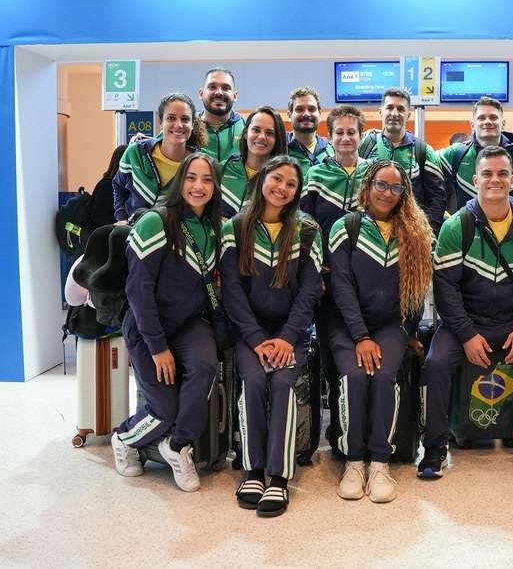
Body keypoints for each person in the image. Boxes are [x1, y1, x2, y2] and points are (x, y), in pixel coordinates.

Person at [419, 146, 513, 479]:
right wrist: (466, 334)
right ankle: (434, 446)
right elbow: (445, 289)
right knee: (435, 364)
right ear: (475, 180)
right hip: (467, 323)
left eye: (502, 173)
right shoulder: (456, 225)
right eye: (487, 174)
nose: (495, 180)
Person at [110, 152, 223, 492]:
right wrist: (158, 348)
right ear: (179, 182)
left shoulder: (213, 227)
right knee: (164, 411)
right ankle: (125, 438)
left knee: (206, 368)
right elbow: (139, 291)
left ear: (216, 186)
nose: (198, 186)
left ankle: (176, 446)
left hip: (190, 323)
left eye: (207, 179)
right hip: (148, 328)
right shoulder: (155, 222)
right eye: (191, 178)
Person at [220, 155, 323, 517]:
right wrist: (256, 338)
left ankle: (278, 476)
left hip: (292, 333)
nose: (282, 188)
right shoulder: (234, 227)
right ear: (263, 180)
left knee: (282, 383)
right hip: (251, 334)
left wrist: (286, 339)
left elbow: (310, 293)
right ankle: (253, 469)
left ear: (298, 191)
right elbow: (231, 292)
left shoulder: (307, 230)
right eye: (276, 179)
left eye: (291, 184)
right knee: (252, 378)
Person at [327, 161, 433, 503]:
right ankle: (354, 461)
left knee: (385, 375)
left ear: (405, 193)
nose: (388, 193)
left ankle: (380, 462)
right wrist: (360, 336)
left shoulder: (414, 232)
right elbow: (341, 286)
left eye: (396, 188)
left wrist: (409, 331)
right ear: (368, 185)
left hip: (391, 326)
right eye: (382, 185)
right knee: (355, 377)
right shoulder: (346, 227)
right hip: (347, 325)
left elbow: (416, 292)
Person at [358, 88, 445, 235]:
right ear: (381, 112)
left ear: (408, 114)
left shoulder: (423, 151)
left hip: (411, 233)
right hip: (370, 232)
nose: (394, 113)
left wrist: (428, 233)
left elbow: (437, 198)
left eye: (400, 109)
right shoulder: (364, 145)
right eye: (389, 107)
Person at [113, 93, 206, 222]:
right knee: (104, 235)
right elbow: (118, 185)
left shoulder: (200, 165)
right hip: (132, 230)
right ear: (161, 122)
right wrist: (121, 218)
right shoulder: (137, 152)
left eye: (185, 119)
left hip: (176, 234)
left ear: (192, 124)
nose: (178, 125)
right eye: (171, 118)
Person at [438, 96, 513, 212]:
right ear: (472, 124)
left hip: (511, 228)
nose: (487, 122)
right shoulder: (455, 154)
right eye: (481, 118)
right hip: (465, 228)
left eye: (493, 117)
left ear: (503, 123)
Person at [301, 105, 372, 251]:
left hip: (366, 262)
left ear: (361, 136)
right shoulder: (315, 175)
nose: (345, 138)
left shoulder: (374, 173)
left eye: (351, 132)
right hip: (324, 265)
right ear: (330, 137)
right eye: (339, 132)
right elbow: (303, 220)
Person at [220, 106, 288, 217]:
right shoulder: (223, 168)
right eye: (256, 130)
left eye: (269, 133)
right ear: (246, 133)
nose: (261, 137)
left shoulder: (280, 181)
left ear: (277, 139)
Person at [198, 67, 245, 166]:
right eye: (212, 87)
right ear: (201, 94)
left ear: (235, 96)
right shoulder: (187, 126)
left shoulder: (247, 128)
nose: (219, 92)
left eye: (225, 88)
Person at [287, 86, 334, 180]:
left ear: (320, 114)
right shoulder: (278, 148)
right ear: (289, 115)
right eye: (299, 109)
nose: (306, 114)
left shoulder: (332, 150)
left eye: (312, 109)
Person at [89, 144, 127, 229]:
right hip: (102, 236)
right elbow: (98, 216)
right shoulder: (107, 186)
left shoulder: (125, 187)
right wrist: (119, 224)